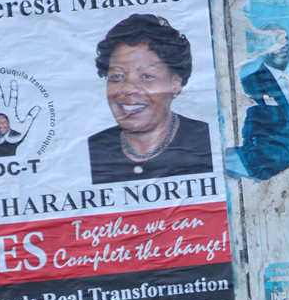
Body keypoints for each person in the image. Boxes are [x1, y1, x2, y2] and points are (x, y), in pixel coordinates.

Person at [88, 14, 212, 184]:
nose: (128, 88)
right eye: (117, 76)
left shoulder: (208, 143)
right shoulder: (91, 151)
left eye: (146, 76)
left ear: (175, 83)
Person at [226, 23, 289, 181]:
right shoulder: (248, 84)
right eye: (276, 41)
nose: (283, 46)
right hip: (275, 175)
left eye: (286, 40)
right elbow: (245, 137)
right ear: (261, 48)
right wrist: (260, 174)